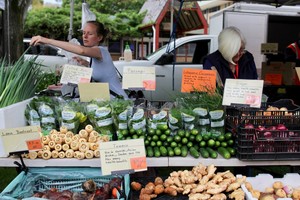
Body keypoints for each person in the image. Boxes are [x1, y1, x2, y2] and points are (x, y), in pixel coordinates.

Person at [30, 20, 128, 99]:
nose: (85, 37)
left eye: (89, 34)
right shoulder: (93, 58)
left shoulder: (100, 51)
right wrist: (83, 64)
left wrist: (47, 41)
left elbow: (81, 51)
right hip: (106, 99)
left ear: (99, 37)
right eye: (84, 33)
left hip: (118, 100)